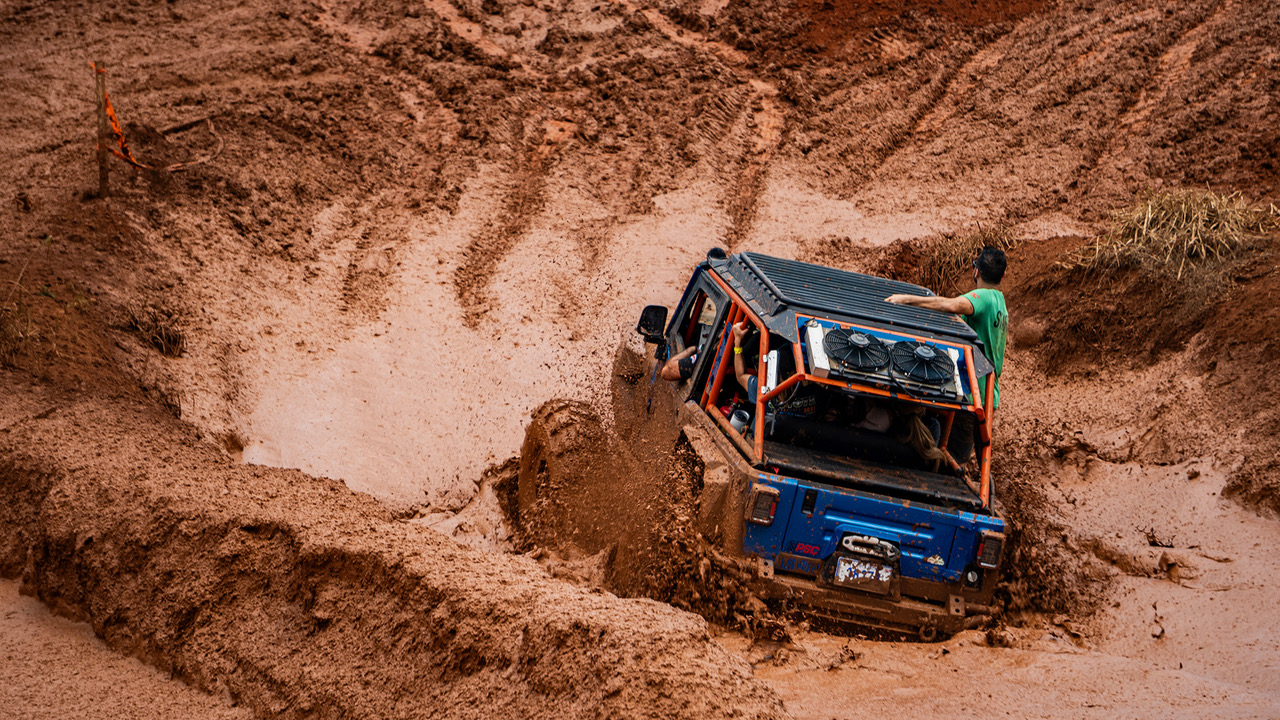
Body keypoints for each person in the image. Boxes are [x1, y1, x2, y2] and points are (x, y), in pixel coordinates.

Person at [885, 246, 1008, 461]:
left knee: (952, 456)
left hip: (972, 391)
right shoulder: (1000, 303)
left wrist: (907, 299)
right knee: (980, 453)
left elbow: (953, 305)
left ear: (976, 271)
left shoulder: (984, 298)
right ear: (1003, 275)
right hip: (988, 392)